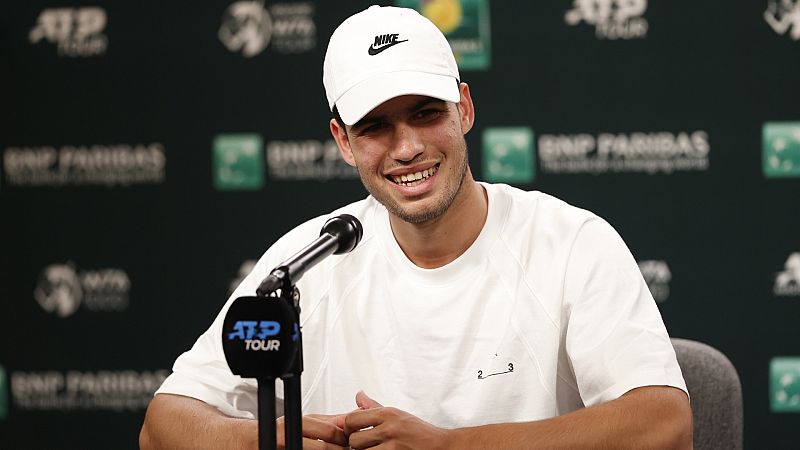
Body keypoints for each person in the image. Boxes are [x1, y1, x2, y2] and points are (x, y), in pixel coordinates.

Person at [140, 5, 692, 450]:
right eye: (376, 126)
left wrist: (450, 448)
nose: (407, 148)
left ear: (465, 109)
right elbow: (165, 425)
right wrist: (271, 440)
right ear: (343, 142)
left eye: (426, 113)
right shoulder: (309, 258)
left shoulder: (570, 241)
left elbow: (664, 424)